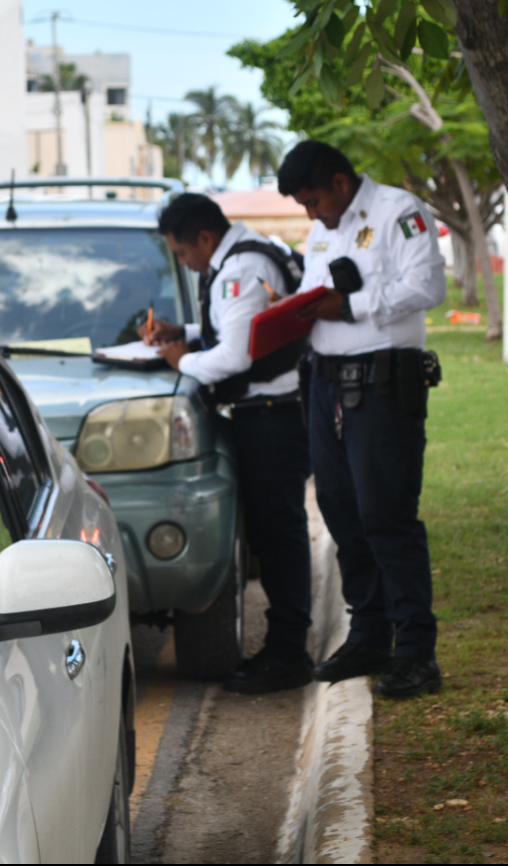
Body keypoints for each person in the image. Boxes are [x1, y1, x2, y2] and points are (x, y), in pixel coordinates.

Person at [279, 140, 447, 700]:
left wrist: (348, 306)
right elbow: (313, 293)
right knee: (341, 510)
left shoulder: (400, 212)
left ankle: (417, 651)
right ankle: (370, 632)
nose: (310, 213)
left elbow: (427, 288)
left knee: (386, 514)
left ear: (340, 183)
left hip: (382, 380)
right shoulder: (324, 229)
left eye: (313, 200)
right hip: (326, 380)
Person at [140, 193, 314, 694]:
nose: (184, 262)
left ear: (205, 239)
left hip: (270, 417)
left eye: (182, 252)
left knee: (278, 535)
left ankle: (288, 655)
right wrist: (187, 332)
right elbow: (241, 326)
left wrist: (181, 360)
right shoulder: (245, 255)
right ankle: (285, 647)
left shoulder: (240, 266)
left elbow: (234, 356)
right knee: (274, 533)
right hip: (270, 413)